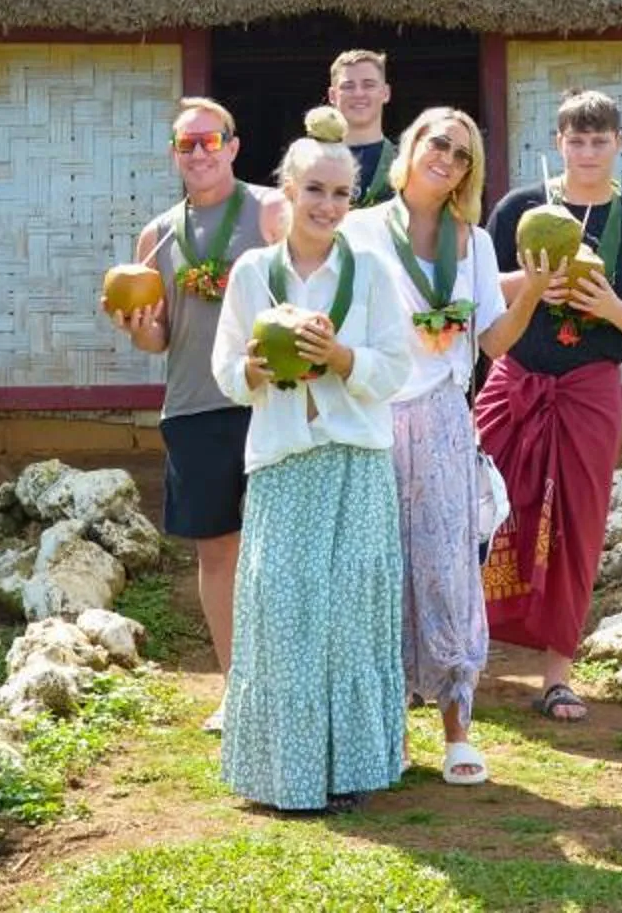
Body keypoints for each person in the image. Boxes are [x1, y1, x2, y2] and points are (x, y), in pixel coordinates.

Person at [212, 135, 414, 814]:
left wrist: (339, 355)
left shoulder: (374, 273)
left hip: (355, 461)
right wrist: (253, 370)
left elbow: (397, 369)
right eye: (314, 190)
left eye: (340, 193)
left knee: (348, 615)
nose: (327, 204)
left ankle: (349, 767)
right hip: (281, 464)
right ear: (287, 190)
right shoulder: (251, 274)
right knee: (285, 610)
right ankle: (284, 773)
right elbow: (225, 371)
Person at [344, 105, 542, 786]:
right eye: (438, 143)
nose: (447, 159)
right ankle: (386, 729)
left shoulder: (475, 243)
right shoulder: (360, 230)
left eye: (461, 154)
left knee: (448, 567)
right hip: (371, 414)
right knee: (379, 569)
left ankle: (457, 727)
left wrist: (534, 291)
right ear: (411, 147)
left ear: (468, 172)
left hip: (444, 417)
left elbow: (493, 342)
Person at [478, 87, 622, 723]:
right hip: (516, 377)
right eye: (576, 139)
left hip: (589, 386)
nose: (587, 151)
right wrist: (534, 284)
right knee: (479, 507)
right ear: (558, 143)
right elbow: (478, 286)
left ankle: (557, 674)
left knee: (577, 524)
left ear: (619, 144)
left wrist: (607, 306)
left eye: (599, 140)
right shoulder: (520, 209)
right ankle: (462, 655)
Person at [113, 96, 280, 733]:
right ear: (174, 155)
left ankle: (286, 680)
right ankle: (238, 687)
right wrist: (140, 331)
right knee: (217, 553)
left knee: (281, 549)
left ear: (234, 146)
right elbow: (162, 339)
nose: (200, 153)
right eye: (188, 145)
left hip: (267, 400)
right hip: (193, 404)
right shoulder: (155, 238)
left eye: (212, 141)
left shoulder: (271, 212)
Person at [327, 48, 396, 206]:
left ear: (386, 93)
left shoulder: (406, 163)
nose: (358, 93)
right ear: (332, 95)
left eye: (369, 85)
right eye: (348, 86)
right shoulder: (311, 159)